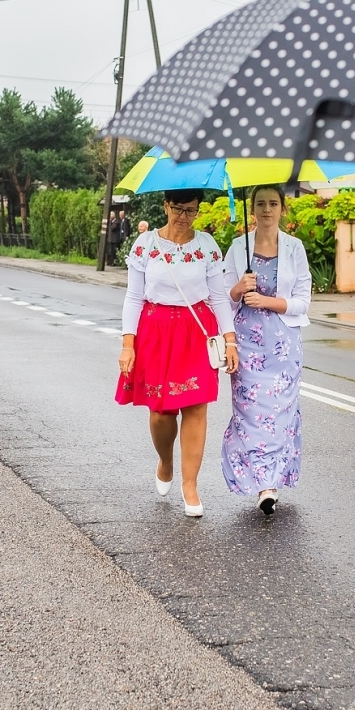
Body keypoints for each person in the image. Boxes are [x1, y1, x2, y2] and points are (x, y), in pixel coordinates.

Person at [117, 189, 238, 517]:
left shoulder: (207, 247)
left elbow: (218, 297)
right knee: (160, 412)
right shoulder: (145, 245)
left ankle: (190, 484)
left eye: (191, 211)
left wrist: (230, 340)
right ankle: (165, 460)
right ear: (165, 206)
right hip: (155, 331)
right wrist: (128, 344)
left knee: (196, 408)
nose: (184, 217)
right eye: (178, 209)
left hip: (195, 331)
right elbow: (133, 297)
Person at [222, 185, 312, 514]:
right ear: (253, 209)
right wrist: (238, 289)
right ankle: (262, 482)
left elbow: (303, 301)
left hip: (283, 346)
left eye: (273, 203)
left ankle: (270, 482)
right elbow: (222, 299)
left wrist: (265, 301)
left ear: (283, 209)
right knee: (250, 414)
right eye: (260, 203)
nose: (267, 209)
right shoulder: (236, 249)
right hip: (246, 345)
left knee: (281, 414)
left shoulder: (294, 249)